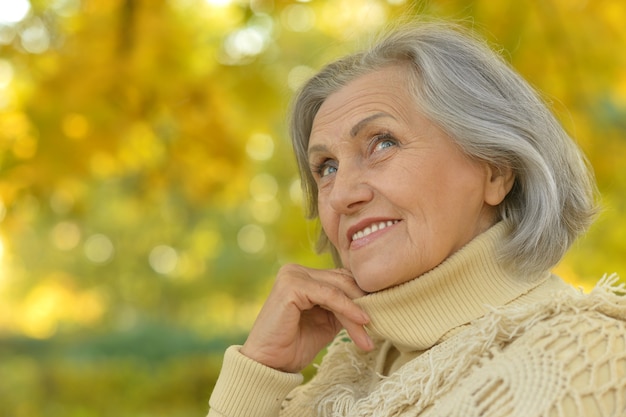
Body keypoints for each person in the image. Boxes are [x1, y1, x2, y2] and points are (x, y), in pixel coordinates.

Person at [208, 20, 626, 417]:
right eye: (327, 168)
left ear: (495, 170)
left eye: (382, 143)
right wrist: (260, 372)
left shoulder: (592, 358)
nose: (343, 196)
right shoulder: (330, 386)